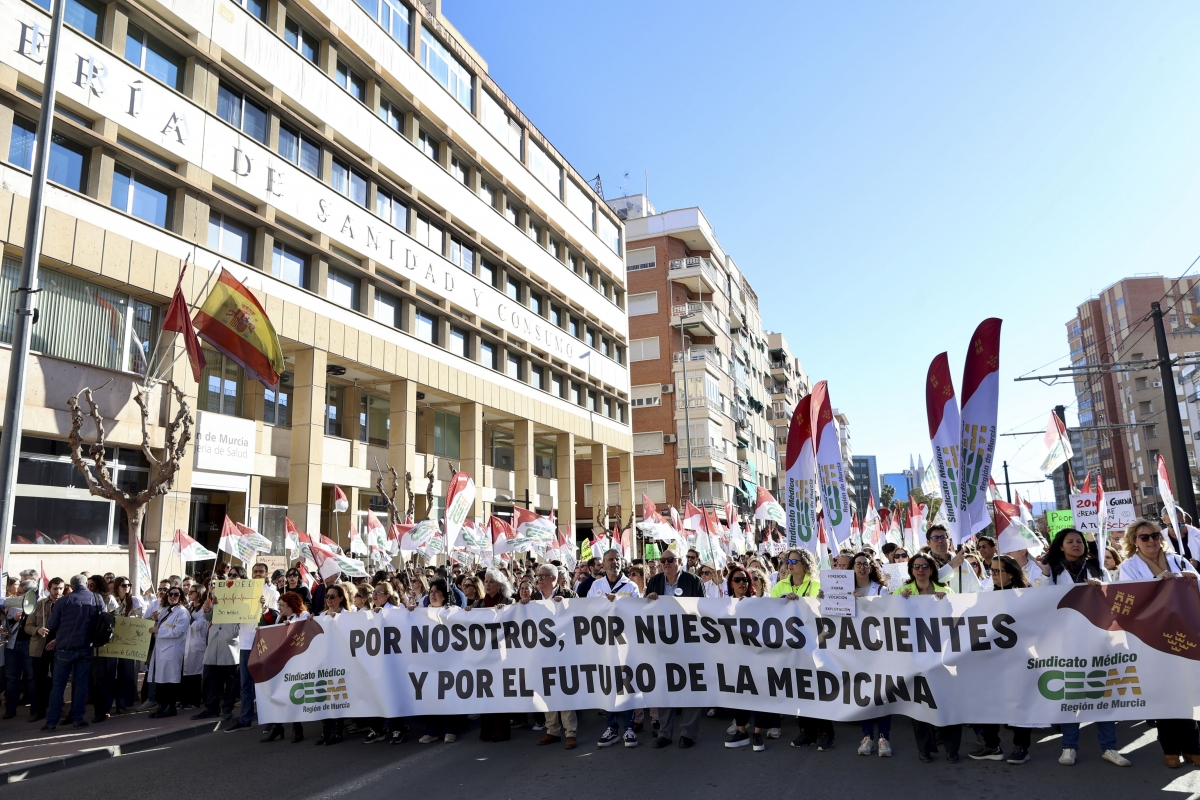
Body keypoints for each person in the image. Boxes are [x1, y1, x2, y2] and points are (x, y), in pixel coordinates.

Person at [1117, 519, 1200, 768]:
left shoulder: (1178, 560)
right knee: (1165, 693)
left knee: (1187, 691)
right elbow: (1129, 600)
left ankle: (1193, 747)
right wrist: (1155, 584)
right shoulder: (1129, 567)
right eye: (1144, 537)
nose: (1151, 540)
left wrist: (1191, 579)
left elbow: (1197, 589)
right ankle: (1170, 749)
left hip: (1184, 636)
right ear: (1134, 541)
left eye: (1154, 535)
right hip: (1152, 639)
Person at [970, 555, 1036, 764]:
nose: (994, 575)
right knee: (989, 703)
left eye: (998, 571)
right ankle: (992, 746)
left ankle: (1021, 747)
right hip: (992, 661)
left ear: (1011, 574)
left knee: (1018, 703)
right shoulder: (987, 597)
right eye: (992, 571)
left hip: (1019, 660)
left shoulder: (1026, 596)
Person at [896, 555, 959, 762]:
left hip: (942, 659)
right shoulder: (900, 593)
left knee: (947, 704)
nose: (920, 570)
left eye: (924, 566)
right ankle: (924, 748)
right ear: (911, 570)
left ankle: (952, 749)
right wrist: (899, 603)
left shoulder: (946, 592)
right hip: (915, 660)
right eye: (916, 567)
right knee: (920, 706)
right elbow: (887, 617)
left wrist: (946, 602)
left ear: (931, 570)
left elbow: (958, 619)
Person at [643, 548, 702, 749]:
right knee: (664, 688)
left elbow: (703, 610)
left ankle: (688, 733)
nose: (666, 563)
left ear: (679, 561)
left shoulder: (693, 581)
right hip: (662, 644)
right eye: (663, 560)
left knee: (689, 688)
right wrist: (649, 600)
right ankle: (665, 733)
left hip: (688, 643)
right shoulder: (654, 581)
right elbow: (644, 611)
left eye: (670, 559)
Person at [723, 565, 779, 751]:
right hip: (735, 657)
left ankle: (757, 733)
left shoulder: (759, 603)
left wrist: (789, 601)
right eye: (737, 580)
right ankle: (741, 731)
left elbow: (777, 611)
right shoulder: (722, 605)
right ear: (731, 583)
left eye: (745, 580)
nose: (742, 583)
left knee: (758, 695)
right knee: (739, 695)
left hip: (757, 657)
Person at [225, 562, 279, 733]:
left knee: (266, 683)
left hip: (263, 643)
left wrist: (264, 608)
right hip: (245, 642)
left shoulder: (272, 593)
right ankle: (245, 719)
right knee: (245, 684)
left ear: (266, 573)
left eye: (261, 571)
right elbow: (230, 612)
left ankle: (271, 719)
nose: (257, 574)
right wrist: (221, 604)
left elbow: (275, 619)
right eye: (255, 571)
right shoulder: (241, 590)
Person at [847, 553, 891, 756]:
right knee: (862, 694)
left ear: (871, 568)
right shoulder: (842, 590)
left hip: (878, 649)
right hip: (854, 649)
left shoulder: (881, 590)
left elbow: (887, 614)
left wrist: (864, 601)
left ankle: (883, 737)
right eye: (858, 564)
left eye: (866, 564)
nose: (862, 567)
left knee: (881, 694)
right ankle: (867, 737)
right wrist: (824, 598)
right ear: (852, 568)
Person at [42, 575, 99, 731]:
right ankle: (77, 719)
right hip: (86, 646)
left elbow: (51, 625)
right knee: (81, 685)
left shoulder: (63, 601)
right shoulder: (96, 599)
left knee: (58, 686)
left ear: (71, 586)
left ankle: (51, 722)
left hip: (64, 647)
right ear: (86, 584)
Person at [417, 579, 465, 744]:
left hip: (448, 662)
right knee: (430, 697)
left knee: (447, 697)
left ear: (444, 595)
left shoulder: (452, 612)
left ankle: (450, 730)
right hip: (429, 663)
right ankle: (431, 731)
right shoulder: (421, 613)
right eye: (431, 591)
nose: (433, 594)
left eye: (437, 591)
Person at [262, 592, 309, 744]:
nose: (280, 608)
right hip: (282, 661)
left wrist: (291, 627)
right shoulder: (280, 618)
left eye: (282, 605)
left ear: (292, 605)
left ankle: (297, 727)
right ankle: (277, 726)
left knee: (294, 694)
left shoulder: (303, 615)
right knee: (278, 692)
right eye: (279, 605)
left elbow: (304, 632)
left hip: (297, 661)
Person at [192, 587, 239, 722]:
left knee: (230, 681)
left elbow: (242, 624)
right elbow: (208, 618)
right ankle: (211, 708)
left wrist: (233, 632)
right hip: (213, 645)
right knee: (209, 679)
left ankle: (227, 708)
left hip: (230, 646)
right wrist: (208, 610)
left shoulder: (239, 605)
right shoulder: (216, 602)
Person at [147, 586, 189, 719]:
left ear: (181, 597)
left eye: (176, 594)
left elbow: (178, 631)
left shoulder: (182, 612)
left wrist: (159, 630)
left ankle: (170, 707)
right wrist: (155, 619)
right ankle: (162, 706)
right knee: (161, 680)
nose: (173, 597)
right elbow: (159, 626)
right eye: (170, 594)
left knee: (170, 680)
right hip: (161, 650)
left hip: (172, 650)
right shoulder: (165, 610)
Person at [26, 577, 63, 721]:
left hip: (59, 647)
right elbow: (27, 626)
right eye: (55, 589)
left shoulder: (67, 603)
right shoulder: (39, 604)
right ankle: (38, 709)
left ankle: (56, 708)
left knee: (57, 680)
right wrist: (37, 630)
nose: (58, 592)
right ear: (49, 589)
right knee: (39, 679)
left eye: (60, 588)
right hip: (39, 648)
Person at [110, 577, 145, 715]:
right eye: (123, 585)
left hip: (128, 640)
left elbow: (141, 617)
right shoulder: (111, 599)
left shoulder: (135, 600)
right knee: (111, 673)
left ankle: (123, 704)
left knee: (127, 673)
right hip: (113, 640)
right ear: (117, 586)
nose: (127, 587)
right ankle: (110, 702)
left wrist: (130, 619)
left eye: (129, 585)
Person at [4, 580, 36, 721]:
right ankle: (10, 709)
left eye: (20, 593)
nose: (17, 594)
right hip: (12, 646)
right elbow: (6, 625)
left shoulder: (37, 604)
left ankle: (35, 709)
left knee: (31, 678)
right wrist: (13, 620)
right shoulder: (13, 604)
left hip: (28, 645)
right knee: (12, 679)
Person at [182, 585, 209, 708]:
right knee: (185, 673)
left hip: (197, 644)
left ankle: (194, 701)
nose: (189, 594)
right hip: (186, 644)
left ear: (199, 593)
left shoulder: (204, 609)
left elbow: (198, 626)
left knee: (195, 674)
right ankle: (184, 700)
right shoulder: (190, 607)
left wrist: (188, 616)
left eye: (192, 592)